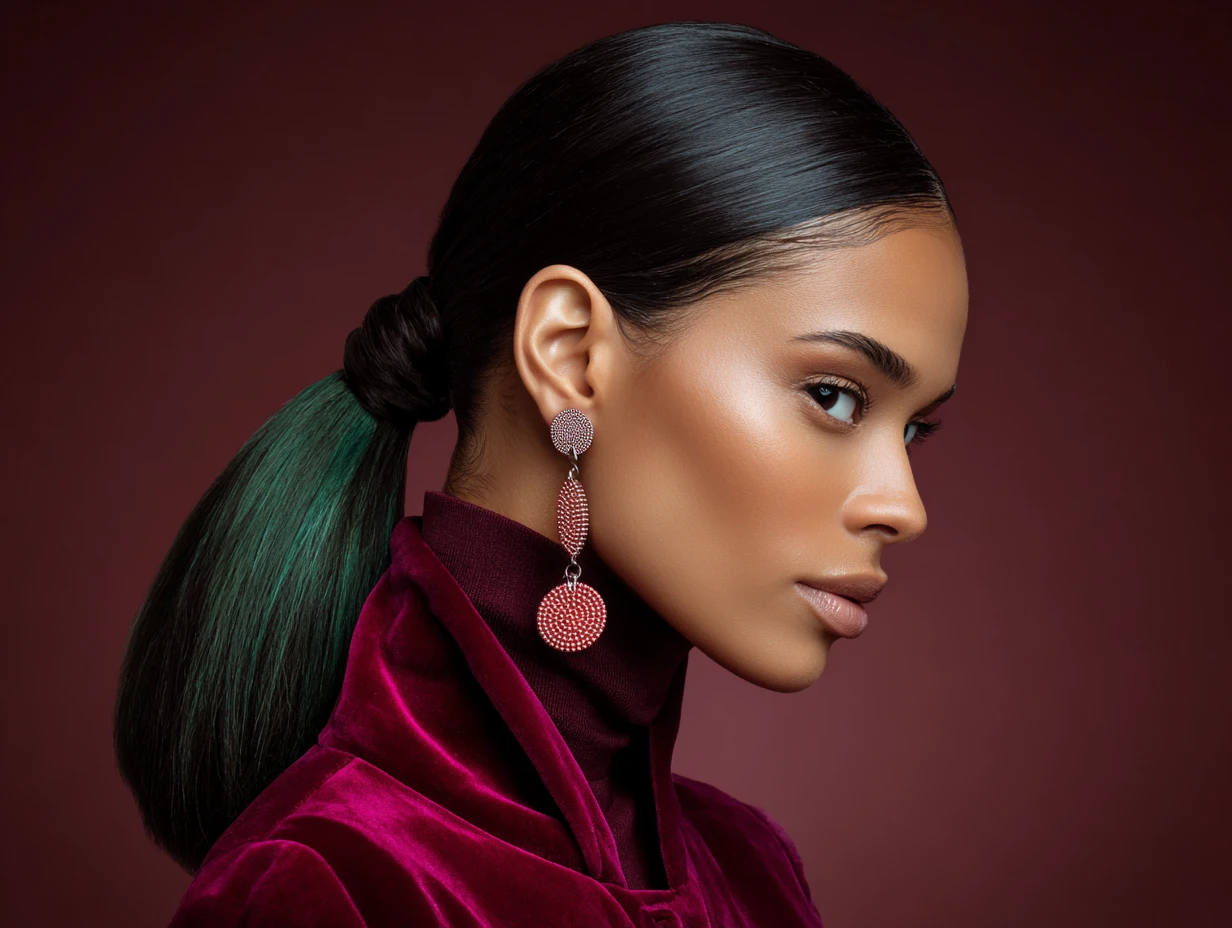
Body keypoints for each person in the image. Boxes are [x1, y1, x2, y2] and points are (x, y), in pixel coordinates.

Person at [114, 20, 968, 927]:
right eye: (835, 396)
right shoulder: (333, 886)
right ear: (568, 354)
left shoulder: (755, 872)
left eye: (914, 430)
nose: (902, 507)